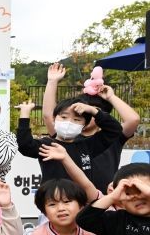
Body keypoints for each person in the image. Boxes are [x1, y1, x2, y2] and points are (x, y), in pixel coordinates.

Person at [42, 63, 140, 193]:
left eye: (90, 111)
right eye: (79, 111)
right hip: (71, 199)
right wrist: (52, 81)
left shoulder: (112, 136)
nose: (84, 113)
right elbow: (49, 116)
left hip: (106, 199)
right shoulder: (66, 136)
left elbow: (133, 120)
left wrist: (111, 97)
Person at [16, 98, 121, 185]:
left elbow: (115, 130)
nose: (69, 122)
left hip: (82, 200)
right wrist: (24, 115)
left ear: (84, 125)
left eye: (77, 120)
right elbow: (25, 145)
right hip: (54, 198)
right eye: (64, 117)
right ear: (54, 118)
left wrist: (94, 111)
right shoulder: (47, 145)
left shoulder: (87, 145)